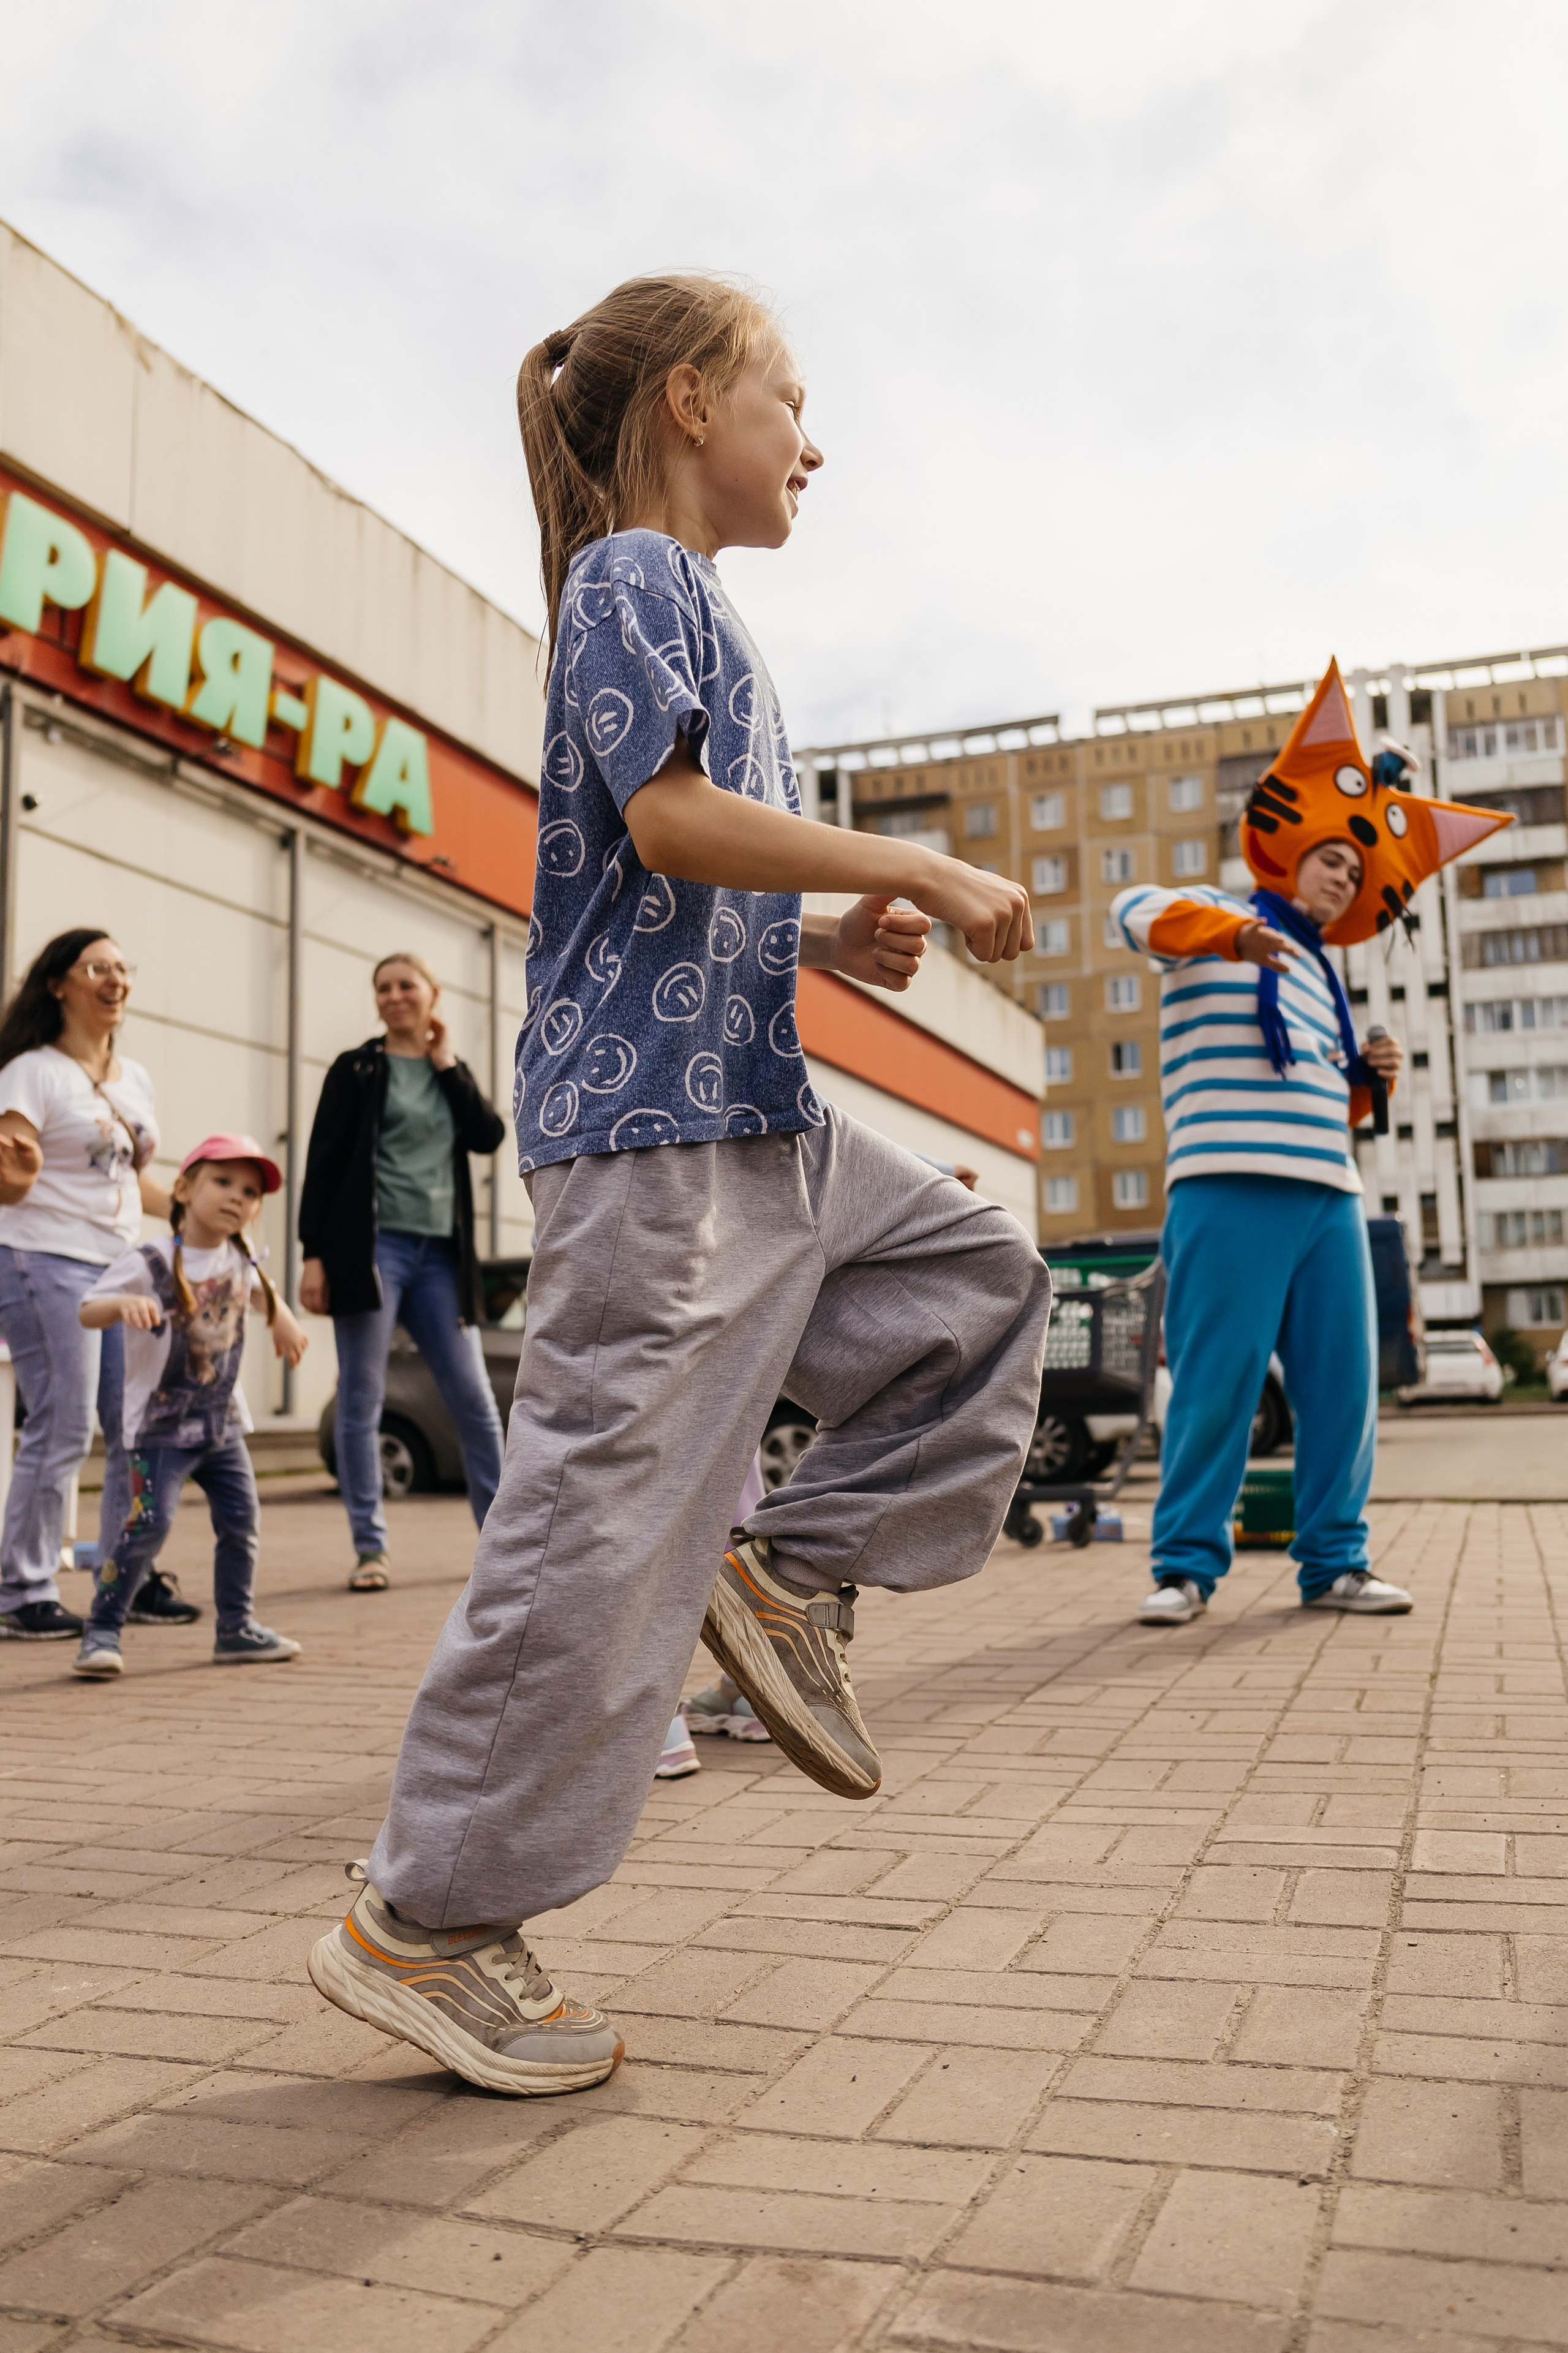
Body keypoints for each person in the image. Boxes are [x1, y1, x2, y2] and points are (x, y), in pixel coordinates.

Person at [306, 272, 1051, 2098]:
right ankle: (428, 1914)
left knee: (974, 1278)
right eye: (793, 401)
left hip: (753, 1110)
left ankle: (789, 1574)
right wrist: (908, 869)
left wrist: (814, 940)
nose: (817, 440)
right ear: (694, 404)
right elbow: (660, 822)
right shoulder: (631, 578)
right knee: (589, 1527)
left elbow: (660, 886)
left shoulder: (694, 605)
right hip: (653, 1143)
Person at [1112, 659, 1513, 1628]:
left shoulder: (1326, 984)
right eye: (1335, 859)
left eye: (1359, 874)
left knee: (1345, 1390)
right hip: (1225, 1186)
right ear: (1291, 850)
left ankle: (1335, 1560)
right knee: (1217, 1387)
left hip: (1330, 1194)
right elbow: (1131, 915)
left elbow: (1324, 1108)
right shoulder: (1217, 915)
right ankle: (1185, 1569)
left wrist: (1369, 1084)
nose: (1344, 879)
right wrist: (1230, 936)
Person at [0, 929, 189, 1640]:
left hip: (119, 1266)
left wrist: (198, 1207)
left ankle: (124, 1578)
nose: (115, 980)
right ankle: (21, 1589)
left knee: (134, 1425)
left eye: (121, 968)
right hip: (41, 1257)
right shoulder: (31, 1072)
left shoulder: (130, 1078)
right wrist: (16, 1166)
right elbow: (13, 1170)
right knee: (64, 1423)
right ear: (59, 985)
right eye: (96, 968)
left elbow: (124, 1177)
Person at [299, 953, 507, 1592]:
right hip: (375, 1249)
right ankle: (371, 1548)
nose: (394, 997)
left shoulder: (451, 1072)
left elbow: (488, 1134)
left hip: (442, 1258)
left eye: (406, 986)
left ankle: (503, 1548)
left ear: (431, 995)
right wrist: (313, 1255)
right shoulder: (357, 1068)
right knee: (362, 1398)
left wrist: (446, 1063)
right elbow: (323, 1164)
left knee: (474, 1401)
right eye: (383, 988)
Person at [72, 1136, 307, 1677]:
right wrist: (122, 1302)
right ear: (183, 1188)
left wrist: (284, 1320)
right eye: (223, 1183)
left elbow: (260, 1291)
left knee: (242, 1520)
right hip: (158, 1431)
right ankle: (102, 1631)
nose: (237, 1198)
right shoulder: (147, 1259)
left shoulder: (240, 1258)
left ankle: (235, 1628)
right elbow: (88, 1311)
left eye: (249, 1191)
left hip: (222, 1428)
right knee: (147, 1525)